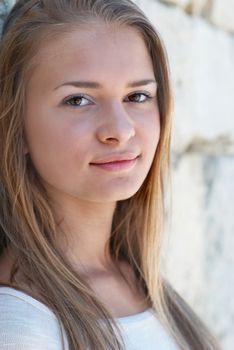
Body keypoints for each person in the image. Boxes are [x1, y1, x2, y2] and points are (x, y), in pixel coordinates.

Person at [0, 0, 221, 349]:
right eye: (78, 100)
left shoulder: (141, 282)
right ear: (16, 127)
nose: (120, 130)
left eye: (137, 95)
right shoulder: (21, 324)